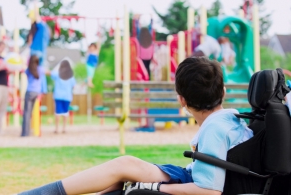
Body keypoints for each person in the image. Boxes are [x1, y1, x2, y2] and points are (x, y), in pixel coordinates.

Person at [18, 57, 254, 195]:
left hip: (189, 183)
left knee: (123, 166)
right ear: (223, 92)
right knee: (120, 174)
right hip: (186, 176)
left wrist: (155, 188)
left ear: (181, 99)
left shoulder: (214, 130)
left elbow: (209, 191)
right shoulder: (232, 118)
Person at [21, 55, 46, 137]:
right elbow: (44, 77)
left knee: (27, 113)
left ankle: (25, 133)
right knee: (33, 112)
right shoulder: (41, 69)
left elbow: (24, 74)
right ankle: (34, 131)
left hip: (29, 92)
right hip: (37, 92)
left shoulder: (28, 70)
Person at [51, 60, 76, 134]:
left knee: (57, 112)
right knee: (65, 113)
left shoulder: (57, 74)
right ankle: (64, 128)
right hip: (67, 96)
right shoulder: (71, 76)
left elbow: (51, 73)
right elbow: (73, 86)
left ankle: (57, 128)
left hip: (58, 96)